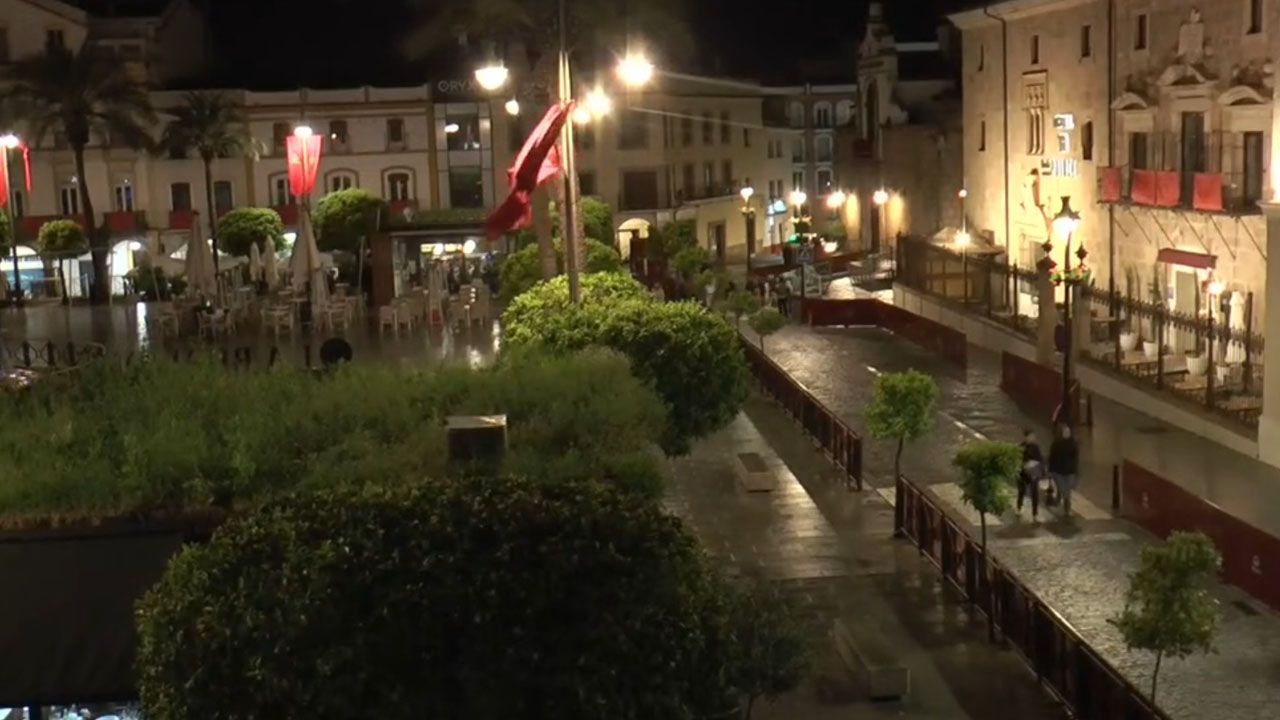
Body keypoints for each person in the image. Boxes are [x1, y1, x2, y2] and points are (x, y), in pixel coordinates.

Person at [1047, 423, 1080, 517]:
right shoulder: (1056, 444)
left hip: (1070, 471)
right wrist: (1050, 471)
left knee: (1067, 490)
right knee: (1063, 489)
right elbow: (1051, 458)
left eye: (1068, 432)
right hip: (1058, 472)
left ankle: (1067, 509)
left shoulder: (1073, 444)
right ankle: (1059, 499)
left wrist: (1076, 470)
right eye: (1065, 432)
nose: (1067, 433)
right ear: (1061, 433)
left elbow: (1076, 458)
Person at [1017, 429, 1043, 520]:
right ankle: (1019, 506)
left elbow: (1040, 459)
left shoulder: (1036, 447)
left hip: (1034, 473)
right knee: (1022, 491)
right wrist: (1024, 466)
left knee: (1034, 493)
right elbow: (1018, 459)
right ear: (1026, 437)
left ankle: (1035, 512)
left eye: (1033, 436)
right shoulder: (1021, 447)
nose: (1032, 438)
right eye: (1030, 436)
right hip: (1023, 473)